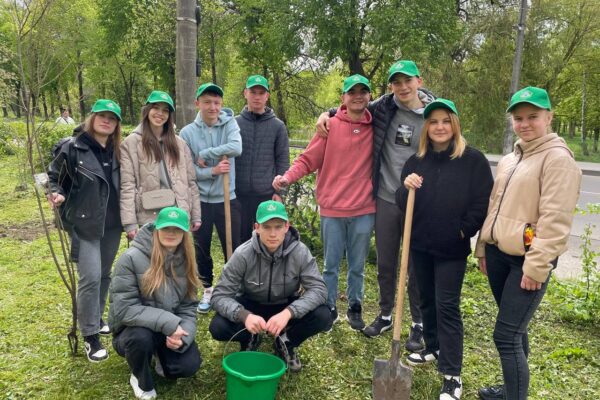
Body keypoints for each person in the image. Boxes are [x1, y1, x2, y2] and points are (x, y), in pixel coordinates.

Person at [317, 60, 434, 347]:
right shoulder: (385, 106)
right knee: (386, 261)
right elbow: (354, 109)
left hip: (421, 201)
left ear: (419, 80)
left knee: (416, 265)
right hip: (386, 197)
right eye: (396, 82)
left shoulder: (436, 114)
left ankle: (418, 323)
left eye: (408, 81)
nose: (403, 87)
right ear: (390, 86)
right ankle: (385, 315)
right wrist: (327, 113)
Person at [476, 87, 581, 400]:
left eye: (533, 116)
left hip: (527, 261)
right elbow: (494, 207)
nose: (524, 123)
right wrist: (483, 247)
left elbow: (555, 221)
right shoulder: (511, 158)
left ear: (548, 117)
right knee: (514, 330)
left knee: (505, 336)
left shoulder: (557, 159)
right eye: (518, 117)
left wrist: (536, 268)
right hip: (498, 255)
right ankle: (510, 390)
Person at [398, 99, 493, 400]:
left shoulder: (473, 161)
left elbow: (482, 203)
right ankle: (432, 347)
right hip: (421, 246)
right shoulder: (416, 161)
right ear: (427, 127)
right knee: (426, 299)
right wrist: (406, 187)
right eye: (434, 121)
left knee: (447, 306)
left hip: (451, 249)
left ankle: (452, 375)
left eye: (445, 121)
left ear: (454, 124)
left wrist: (463, 231)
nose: (440, 127)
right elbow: (402, 203)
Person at [273, 74, 376, 331]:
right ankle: (329, 307)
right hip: (332, 210)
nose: (358, 96)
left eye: (363, 91)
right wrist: (287, 178)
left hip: (364, 209)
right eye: (352, 92)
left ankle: (355, 306)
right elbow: (307, 160)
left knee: (357, 265)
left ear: (370, 96)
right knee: (330, 265)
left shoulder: (377, 126)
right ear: (343, 98)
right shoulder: (329, 127)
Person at [209, 200, 330, 372]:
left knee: (324, 315)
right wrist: (244, 315)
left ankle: (286, 340)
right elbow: (219, 296)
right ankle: (250, 337)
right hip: (251, 304)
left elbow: (319, 289)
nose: (273, 233)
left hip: (285, 304)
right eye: (266, 227)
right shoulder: (242, 254)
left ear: (287, 227)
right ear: (257, 227)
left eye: (278, 226)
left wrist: (289, 313)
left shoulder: (300, 252)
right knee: (218, 327)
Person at [47, 99, 123, 362]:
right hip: (84, 222)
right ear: (92, 118)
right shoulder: (72, 147)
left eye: (112, 118)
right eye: (102, 116)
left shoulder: (119, 150)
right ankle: (91, 335)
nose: (107, 121)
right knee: (89, 277)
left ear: (117, 125)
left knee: (104, 274)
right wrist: (55, 193)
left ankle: (97, 315)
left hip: (113, 223)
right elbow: (54, 176)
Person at [109, 207, 202, 400]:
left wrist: (182, 336)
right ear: (156, 228)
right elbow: (125, 309)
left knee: (188, 366)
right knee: (141, 339)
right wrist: (170, 322)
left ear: (184, 233)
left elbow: (188, 307)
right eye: (166, 228)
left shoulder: (187, 261)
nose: (170, 233)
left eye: (176, 229)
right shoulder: (130, 259)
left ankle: (159, 354)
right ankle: (139, 376)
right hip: (132, 331)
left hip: (167, 330)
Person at [180, 83, 242, 313]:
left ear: (221, 104)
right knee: (201, 247)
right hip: (201, 201)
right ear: (198, 103)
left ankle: (230, 289)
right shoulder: (186, 133)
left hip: (228, 197)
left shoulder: (229, 124)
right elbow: (185, 172)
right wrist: (212, 172)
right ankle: (207, 289)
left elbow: (236, 147)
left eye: (216, 102)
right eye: (207, 102)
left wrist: (206, 154)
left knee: (233, 247)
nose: (212, 107)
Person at [120, 90, 201, 240]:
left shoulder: (180, 144)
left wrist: (196, 215)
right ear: (147, 110)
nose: (160, 113)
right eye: (156, 107)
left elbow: (191, 182)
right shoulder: (131, 143)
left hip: (178, 212)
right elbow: (128, 185)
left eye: (165, 110)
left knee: (178, 260)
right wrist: (129, 222)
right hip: (150, 214)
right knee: (153, 260)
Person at [235, 75, 289, 243]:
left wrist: (279, 192)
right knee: (241, 242)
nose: (257, 96)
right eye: (253, 92)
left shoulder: (278, 126)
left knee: (266, 241)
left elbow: (283, 162)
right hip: (238, 196)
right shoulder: (234, 124)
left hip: (266, 195)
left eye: (261, 92)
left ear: (267, 96)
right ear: (245, 93)